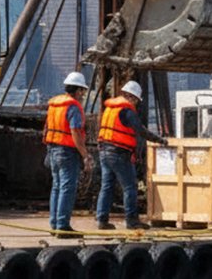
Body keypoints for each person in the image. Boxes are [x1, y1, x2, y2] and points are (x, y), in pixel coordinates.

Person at [94, 80, 166, 231]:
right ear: (132, 97)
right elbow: (141, 131)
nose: (136, 104)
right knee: (130, 187)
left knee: (106, 186)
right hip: (119, 153)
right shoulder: (127, 111)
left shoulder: (110, 108)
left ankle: (102, 220)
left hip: (104, 151)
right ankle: (132, 221)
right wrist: (160, 140)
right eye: (136, 100)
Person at [44, 71, 91, 235]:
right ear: (78, 91)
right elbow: (76, 133)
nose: (83, 95)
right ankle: (63, 225)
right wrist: (85, 154)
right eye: (83, 91)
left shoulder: (55, 104)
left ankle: (55, 223)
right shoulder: (73, 107)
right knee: (67, 188)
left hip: (53, 148)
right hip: (67, 151)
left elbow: (46, 128)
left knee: (57, 187)